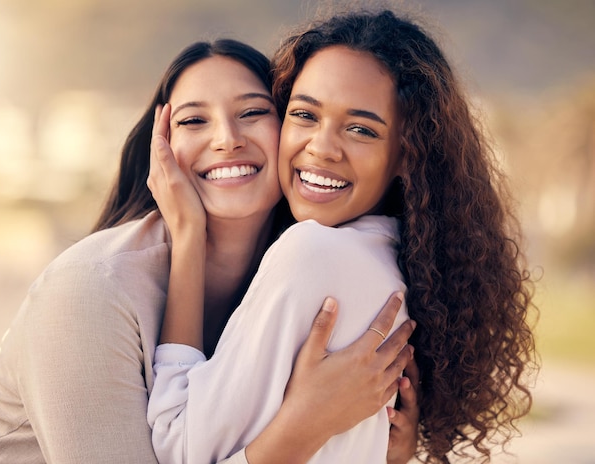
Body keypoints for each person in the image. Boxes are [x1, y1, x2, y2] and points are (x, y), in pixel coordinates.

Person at [0, 39, 419, 464]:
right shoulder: (89, 291)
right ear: (161, 146)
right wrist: (306, 425)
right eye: (193, 121)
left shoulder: (296, 279)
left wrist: (386, 452)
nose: (226, 139)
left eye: (252, 112)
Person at [148, 6, 538, 464]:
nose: (321, 148)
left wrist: (189, 237)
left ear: (406, 154)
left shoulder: (312, 253)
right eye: (305, 115)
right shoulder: (396, 264)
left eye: (360, 129)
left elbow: (177, 444)